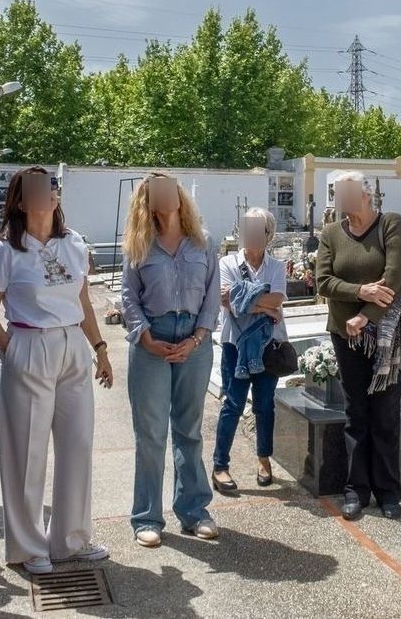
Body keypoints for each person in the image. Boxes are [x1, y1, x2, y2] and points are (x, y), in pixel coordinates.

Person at [0, 166, 114, 575]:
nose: (47, 193)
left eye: (51, 187)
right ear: (20, 201)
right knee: (27, 451)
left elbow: (85, 302)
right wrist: (11, 349)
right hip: (29, 341)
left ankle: (71, 539)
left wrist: (100, 348)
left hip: (73, 343)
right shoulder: (5, 250)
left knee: (77, 445)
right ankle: (28, 546)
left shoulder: (73, 243)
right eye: (37, 189)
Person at [120, 173, 220, 548]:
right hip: (152, 340)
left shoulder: (203, 242)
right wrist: (145, 336)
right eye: (156, 190)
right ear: (146, 201)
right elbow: (128, 297)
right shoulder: (138, 245)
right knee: (150, 435)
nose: (166, 194)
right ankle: (146, 517)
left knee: (189, 430)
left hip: (194, 338)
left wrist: (197, 338)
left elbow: (212, 296)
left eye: (171, 187)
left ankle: (195, 511)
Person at [313, 170, 401, 522]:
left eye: (344, 192)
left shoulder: (391, 225)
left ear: (366, 194)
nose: (338, 199)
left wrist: (366, 315)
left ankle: (388, 490)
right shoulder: (330, 234)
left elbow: (396, 276)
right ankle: (355, 490)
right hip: (345, 333)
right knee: (356, 413)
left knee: (385, 413)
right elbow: (323, 282)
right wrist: (360, 292)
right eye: (336, 193)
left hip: (387, 336)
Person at [212, 208, 287, 492]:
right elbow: (227, 299)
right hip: (236, 344)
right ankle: (220, 465)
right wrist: (262, 306)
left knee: (265, 405)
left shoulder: (276, 267)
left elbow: (278, 297)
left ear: (268, 234)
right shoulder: (228, 263)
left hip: (269, 346)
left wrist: (245, 300)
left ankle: (264, 459)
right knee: (232, 404)